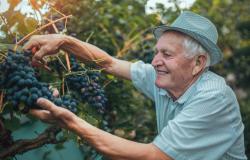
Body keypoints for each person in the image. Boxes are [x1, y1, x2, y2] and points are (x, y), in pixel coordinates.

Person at [24, 11, 247, 160]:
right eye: (157, 52)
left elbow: (152, 156)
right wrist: (64, 41)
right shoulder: (167, 77)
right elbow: (109, 63)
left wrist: (70, 121)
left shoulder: (213, 98)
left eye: (166, 54)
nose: (154, 61)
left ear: (198, 63)